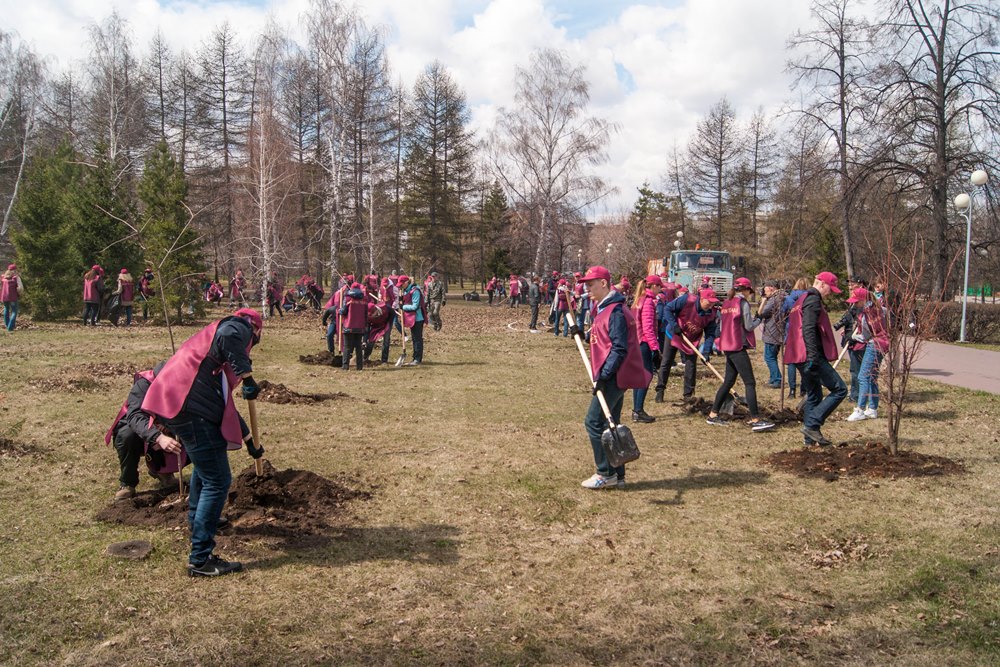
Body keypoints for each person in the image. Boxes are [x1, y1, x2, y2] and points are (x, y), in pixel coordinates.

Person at [141, 308, 265, 577]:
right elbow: (230, 334)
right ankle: (200, 559)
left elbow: (225, 404)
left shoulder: (210, 363)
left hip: (182, 406)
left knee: (205, 466)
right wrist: (247, 375)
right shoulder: (238, 326)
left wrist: (249, 442)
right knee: (218, 479)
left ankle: (198, 520)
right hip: (190, 409)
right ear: (255, 331)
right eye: (255, 339)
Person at [573, 265, 651, 490]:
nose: (587, 289)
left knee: (594, 422)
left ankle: (605, 473)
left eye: (590, 284)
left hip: (615, 376)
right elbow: (603, 336)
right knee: (611, 424)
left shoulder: (616, 310)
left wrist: (604, 377)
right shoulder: (605, 308)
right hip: (613, 375)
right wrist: (583, 334)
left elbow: (619, 348)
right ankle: (618, 474)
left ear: (604, 283)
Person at [105, 362, 187, 501]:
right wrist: (157, 436)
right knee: (126, 437)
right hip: (138, 430)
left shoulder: (182, 385)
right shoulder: (143, 385)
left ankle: (163, 471)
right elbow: (135, 416)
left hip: (165, 427)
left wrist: (169, 427)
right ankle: (127, 482)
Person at [784, 272, 847, 446]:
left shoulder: (801, 299)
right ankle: (812, 425)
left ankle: (809, 439)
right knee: (840, 389)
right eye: (830, 289)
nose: (830, 293)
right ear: (821, 284)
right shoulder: (813, 300)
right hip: (809, 355)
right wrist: (813, 357)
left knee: (813, 396)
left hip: (798, 354)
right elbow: (808, 329)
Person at [705, 278, 776, 431]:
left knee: (728, 382)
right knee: (750, 383)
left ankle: (712, 415)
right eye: (749, 292)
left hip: (727, 346)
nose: (750, 295)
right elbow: (749, 326)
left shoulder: (726, 303)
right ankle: (756, 419)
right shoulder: (742, 303)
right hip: (737, 346)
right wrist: (760, 319)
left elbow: (723, 326)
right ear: (745, 290)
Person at [654, 287, 720, 402]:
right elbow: (668, 309)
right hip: (674, 334)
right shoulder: (687, 300)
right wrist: (674, 325)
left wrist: (706, 352)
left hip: (691, 340)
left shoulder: (712, 314)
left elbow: (710, 334)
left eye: (713, 303)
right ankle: (660, 391)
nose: (711, 306)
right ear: (702, 299)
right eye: (709, 302)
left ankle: (688, 395)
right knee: (666, 362)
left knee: (691, 365)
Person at [845, 288, 889, 421]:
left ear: (863, 300)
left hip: (874, 344)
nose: (855, 304)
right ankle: (873, 408)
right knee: (872, 377)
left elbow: (865, 333)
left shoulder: (867, 312)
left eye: (856, 302)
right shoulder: (880, 308)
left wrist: (855, 337)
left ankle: (860, 409)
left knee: (863, 376)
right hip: (884, 343)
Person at [631, 275, 662, 423]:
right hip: (644, 342)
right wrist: (655, 348)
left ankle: (636, 410)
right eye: (659, 286)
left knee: (639, 376)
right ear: (653, 286)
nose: (661, 289)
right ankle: (638, 410)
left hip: (636, 341)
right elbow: (648, 327)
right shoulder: (648, 302)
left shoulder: (638, 300)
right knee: (646, 375)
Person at [834, 277, 867, 403]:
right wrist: (847, 329)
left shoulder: (864, 308)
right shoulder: (855, 303)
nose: (850, 286)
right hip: (852, 340)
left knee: (857, 371)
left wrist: (854, 333)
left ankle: (857, 395)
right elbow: (849, 318)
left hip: (860, 343)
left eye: (853, 284)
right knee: (854, 370)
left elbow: (863, 324)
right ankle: (856, 393)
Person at [781, 278, 811, 398]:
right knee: (804, 362)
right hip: (803, 332)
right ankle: (803, 389)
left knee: (791, 363)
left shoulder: (789, 298)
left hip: (791, 332)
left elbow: (782, 314)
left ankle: (792, 390)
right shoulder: (808, 298)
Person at [757, 279, 788, 388]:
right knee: (772, 356)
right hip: (779, 331)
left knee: (769, 357)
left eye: (765, 289)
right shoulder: (784, 297)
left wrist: (763, 301)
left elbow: (762, 313)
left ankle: (777, 379)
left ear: (771, 287)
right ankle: (773, 378)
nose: (764, 292)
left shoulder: (774, 299)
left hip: (773, 332)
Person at [339, 282, 368, 370]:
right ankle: (359, 366)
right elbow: (366, 315)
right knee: (358, 347)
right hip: (360, 328)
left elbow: (343, 312)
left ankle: (345, 365)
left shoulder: (348, 302)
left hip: (349, 327)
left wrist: (340, 310)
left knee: (347, 347)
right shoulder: (364, 303)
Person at [399, 275, 426, 365]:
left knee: (417, 339)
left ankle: (417, 359)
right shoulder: (406, 291)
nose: (401, 286)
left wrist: (403, 307)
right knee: (414, 339)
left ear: (406, 282)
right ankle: (415, 358)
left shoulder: (415, 291)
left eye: (402, 284)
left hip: (418, 319)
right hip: (411, 318)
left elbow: (415, 306)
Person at [2, 263, 24, 332]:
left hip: (4, 297)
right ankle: (10, 327)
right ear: (15, 270)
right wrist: (20, 294)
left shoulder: (3, 277)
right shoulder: (16, 277)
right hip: (13, 297)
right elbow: (20, 288)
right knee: (14, 311)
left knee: (6, 309)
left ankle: (7, 324)